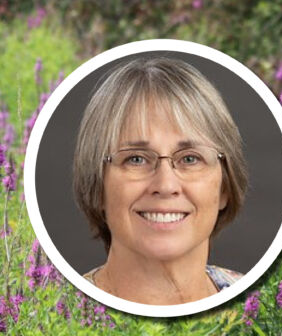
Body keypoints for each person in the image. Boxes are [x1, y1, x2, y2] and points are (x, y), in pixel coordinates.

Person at [73, 56, 249, 305]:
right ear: (98, 184)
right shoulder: (50, 323)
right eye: (136, 159)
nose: (166, 186)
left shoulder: (265, 311)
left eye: (190, 159)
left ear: (224, 187)